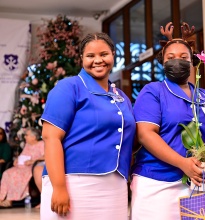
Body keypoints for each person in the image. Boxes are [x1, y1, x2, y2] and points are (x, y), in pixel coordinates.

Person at [130, 22, 205, 220]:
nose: (178, 62)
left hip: (200, 182)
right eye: (170, 58)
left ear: (192, 61)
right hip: (157, 182)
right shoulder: (153, 92)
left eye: (184, 58)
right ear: (162, 63)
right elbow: (145, 134)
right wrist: (183, 163)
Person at [40, 32, 136, 220]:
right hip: (74, 183)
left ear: (113, 55)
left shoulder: (122, 97)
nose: (98, 60)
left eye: (104, 54)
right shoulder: (69, 87)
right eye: (90, 56)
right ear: (82, 58)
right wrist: (59, 187)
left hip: (115, 186)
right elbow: (51, 138)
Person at [0, 127, 44, 207]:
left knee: (16, 175)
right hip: (20, 166)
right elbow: (22, 155)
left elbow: (45, 156)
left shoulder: (41, 144)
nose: (25, 137)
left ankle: (10, 199)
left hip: (31, 167)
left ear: (33, 137)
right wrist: (17, 159)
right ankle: (1, 199)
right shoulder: (27, 145)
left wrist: (34, 160)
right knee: (7, 173)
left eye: (26, 135)